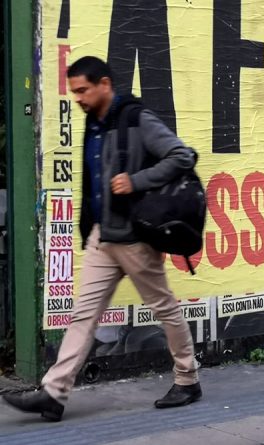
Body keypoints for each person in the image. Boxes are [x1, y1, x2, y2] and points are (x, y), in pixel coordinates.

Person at [2, 56, 201, 421]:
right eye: (74, 90)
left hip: (137, 239)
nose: (77, 97)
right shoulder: (93, 123)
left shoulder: (136, 118)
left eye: (83, 90)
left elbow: (182, 155)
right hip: (103, 238)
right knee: (82, 316)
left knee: (164, 308)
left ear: (105, 84)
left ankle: (187, 379)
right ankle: (54, 392)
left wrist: (136, 181)